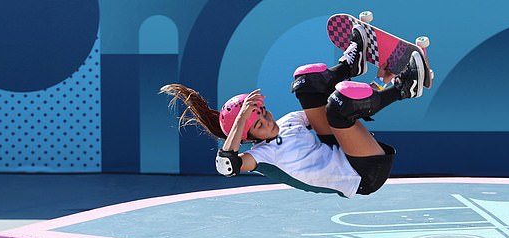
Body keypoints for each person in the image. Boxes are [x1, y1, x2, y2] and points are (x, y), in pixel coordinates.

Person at [161, 25, 430, 198]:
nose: (266, 119)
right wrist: (240, 118)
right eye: (257, 123)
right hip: (363, 175)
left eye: (263, 112)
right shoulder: (262, 156)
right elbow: (227, 166)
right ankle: (406, 87)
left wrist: (380, 81)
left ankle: (352, 62)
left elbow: (336, 101)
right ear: (247, 136)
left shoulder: (289, 122)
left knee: (306, 82)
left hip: (345, 149)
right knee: (339, 106)